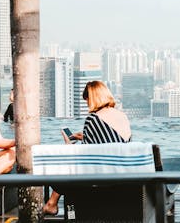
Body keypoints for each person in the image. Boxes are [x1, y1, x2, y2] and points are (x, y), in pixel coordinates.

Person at [43, 80, 131, 215]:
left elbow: (84, 156)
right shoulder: (123, 116)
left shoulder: (93, 119)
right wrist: (84, 136)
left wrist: (68, 145)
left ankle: (52, 203)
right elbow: (114, 142)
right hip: (122, 175)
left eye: (87, 100)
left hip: (100, 178)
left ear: (93, 98)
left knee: (68, 162)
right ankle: (52, 203)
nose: (87, 104)